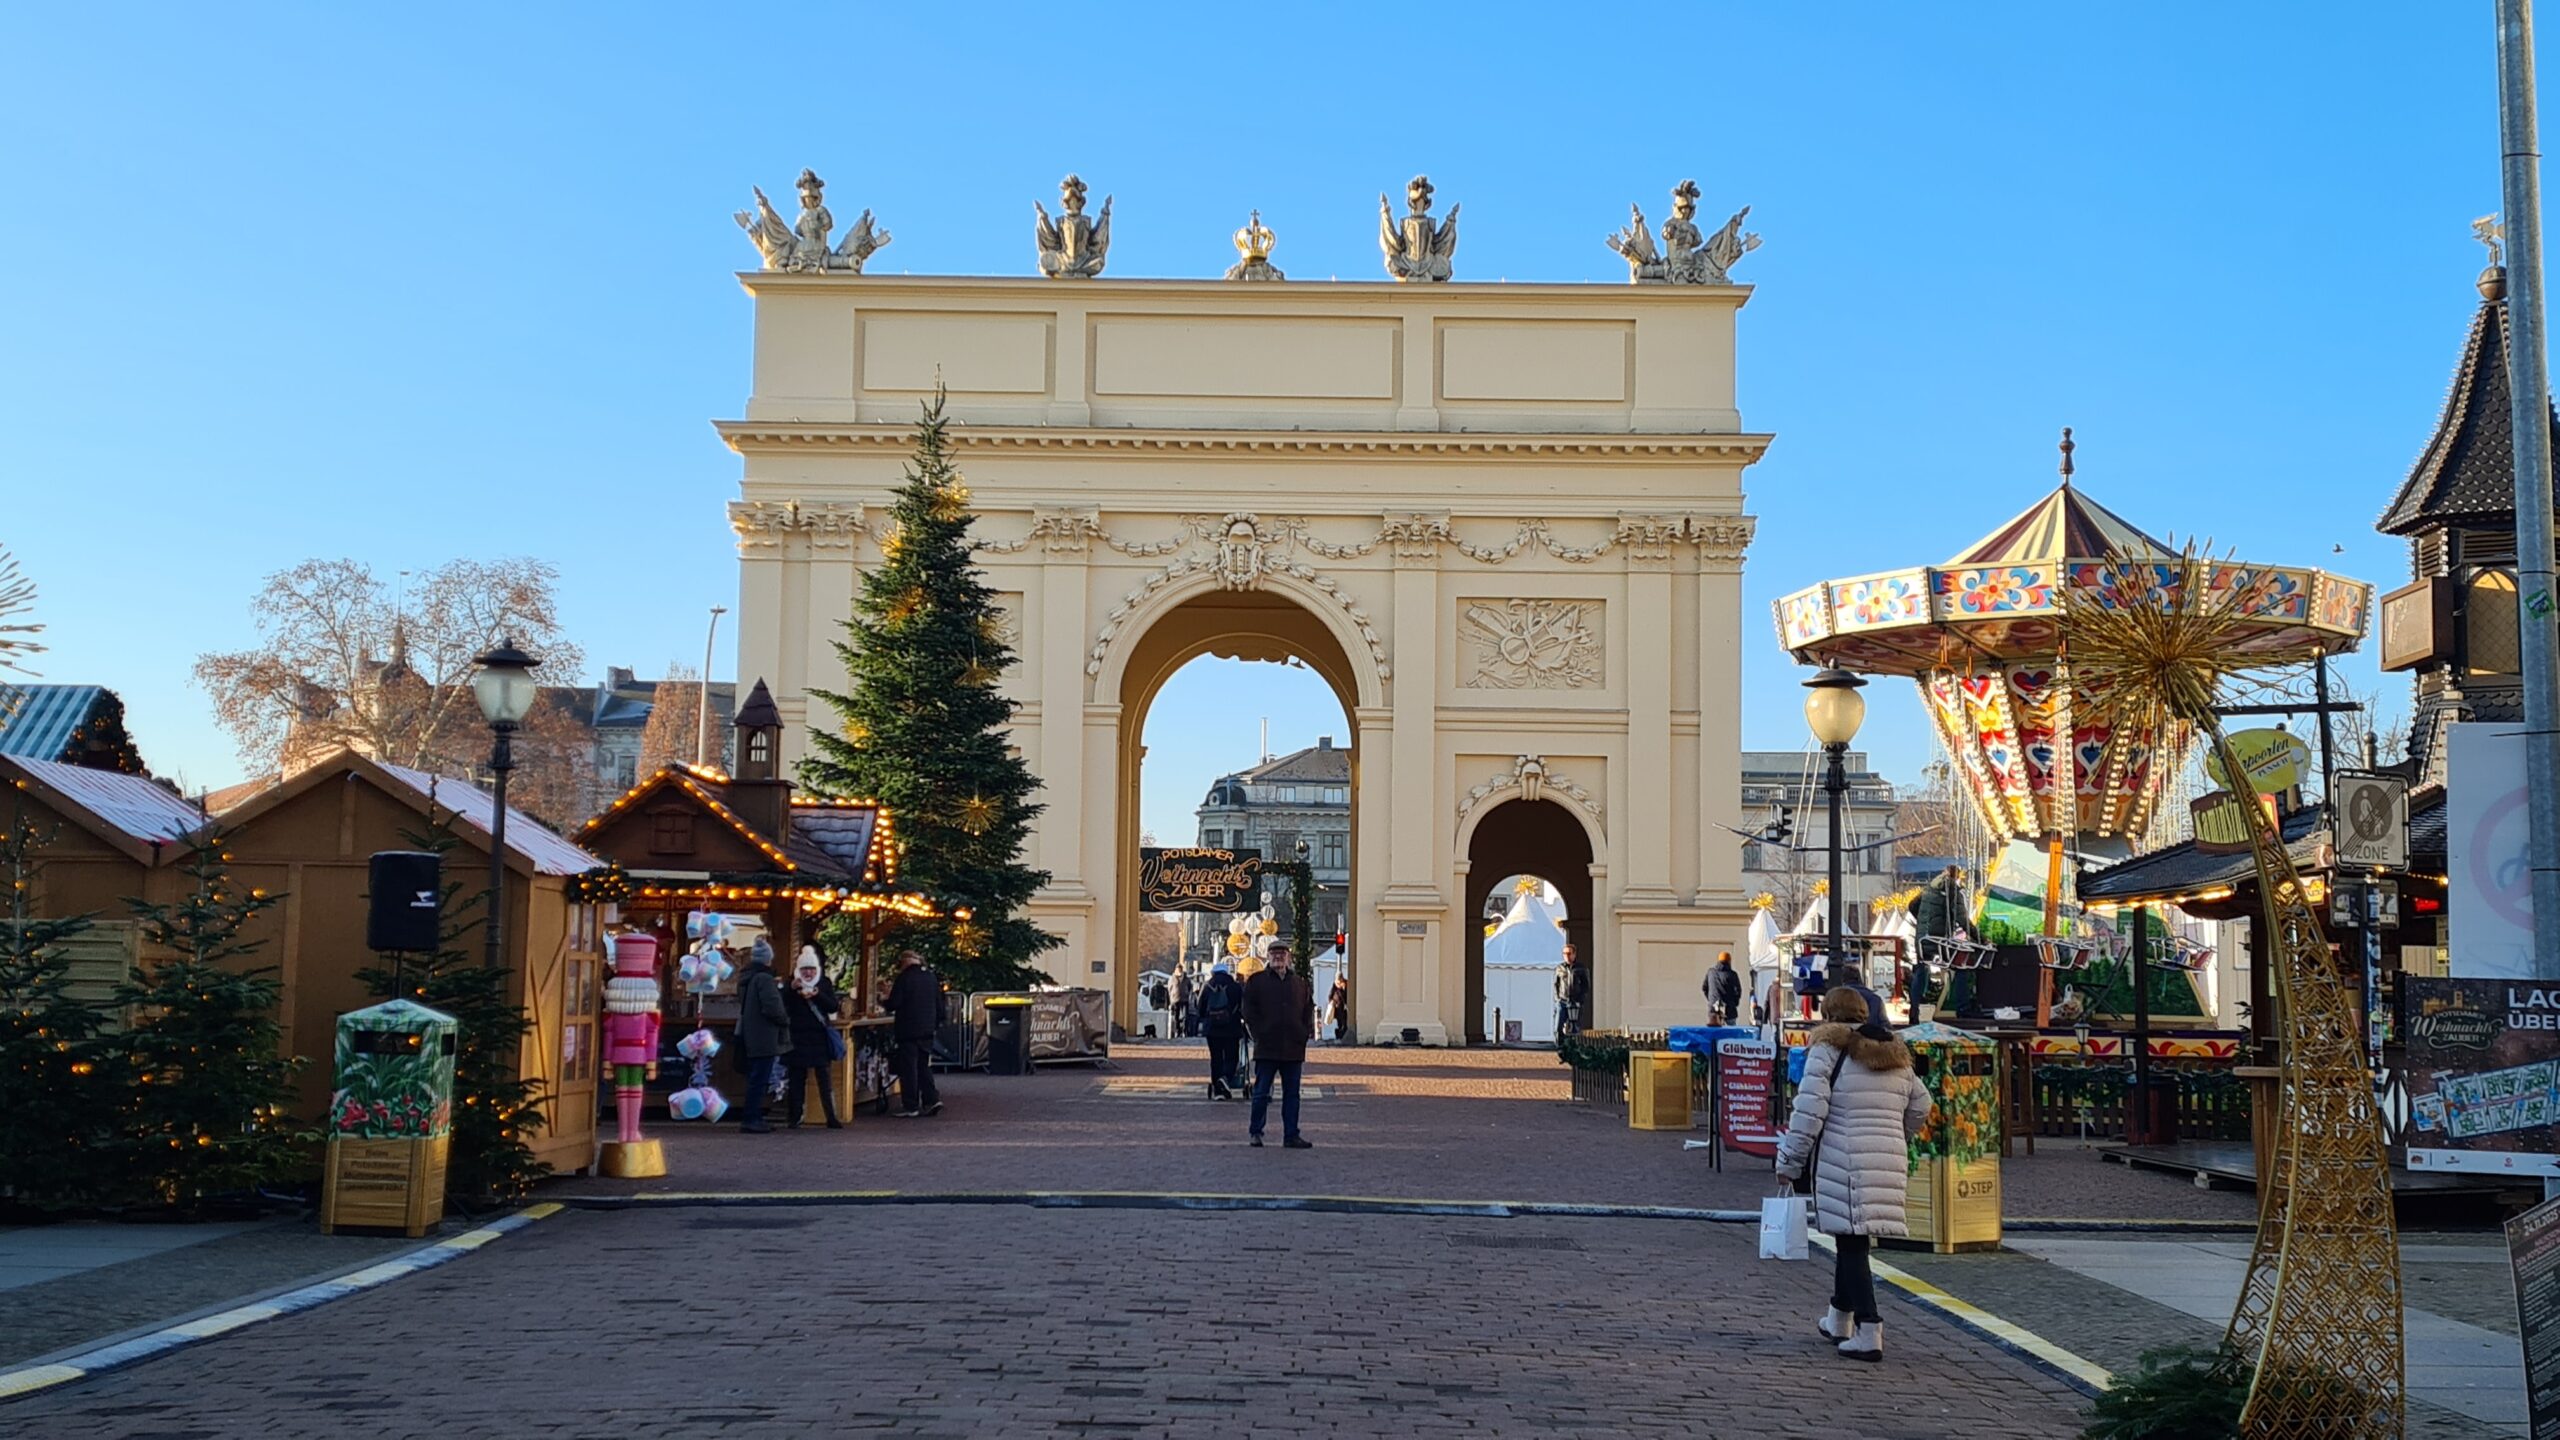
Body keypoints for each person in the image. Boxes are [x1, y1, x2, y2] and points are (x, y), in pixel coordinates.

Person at [1775, 987, 1934, 1363]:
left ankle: (1869, 1328)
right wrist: (1896, 1135)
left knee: (1851, 1244)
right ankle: (1838, 1319)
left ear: (1827, 1013)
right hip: (1888, 1157)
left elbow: (1809, 1113)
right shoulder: (1895, 1054)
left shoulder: (1828, 1051)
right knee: (1853, 1238)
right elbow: (1922, 1104)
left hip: (1844, 1158)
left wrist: (1789, 1162)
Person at [1242, 940, 1314, 1148]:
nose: (1278, 957)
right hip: (1267, 1046)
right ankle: (1256, 1132)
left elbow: (1308, 1008)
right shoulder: (1257, 982)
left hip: (1293, 1047)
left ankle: (1291, 1134)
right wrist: (1258, 1033)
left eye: (1282, 953)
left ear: (1288, 957)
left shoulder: (1299, 983)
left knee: (1292, 1094)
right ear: (1267, 956)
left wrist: (1304, 1032)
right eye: (1274, 953)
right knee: (1261, 1092)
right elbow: (1248, 1010)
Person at [733, 937, 790, 1134]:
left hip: (749, 1033)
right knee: (760, 1077)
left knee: (754, 1077)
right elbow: (772, 1007)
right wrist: (785, 1020)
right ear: (768, 959)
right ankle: (752, 1118)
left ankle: (752, 1116)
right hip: (764, 1035)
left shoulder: (746, 978)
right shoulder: (764, 979)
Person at [782, 948, 843, 1130]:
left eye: (812, 969)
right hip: (797, 1037)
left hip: (818, 1037)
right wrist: (790, 990)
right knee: (796, 1080)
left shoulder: (824, 984)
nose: (808, 973)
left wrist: (817, 994)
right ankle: (794, 1117)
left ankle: (831, 1116)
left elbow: (832, 1007)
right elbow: (782, 1005)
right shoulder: (790, 985)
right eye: (805, 969)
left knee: (824, 1080)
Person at [882, 948, 944, 1118]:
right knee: (923, 1065)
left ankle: (911, 1105)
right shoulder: (931, 978)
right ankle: (931, 1099)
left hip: (908, 1029)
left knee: (908, 1068)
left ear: (905, 962)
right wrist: (935, 1024)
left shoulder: (904, 978)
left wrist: (884, 999)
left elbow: (894, 1003)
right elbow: (940, 1006)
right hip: (927, 1029)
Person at [1199, 959, 1246, 1100]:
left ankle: (1218, 1091)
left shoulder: (1207, 986)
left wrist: (1206, 1019)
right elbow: (1243, 1007)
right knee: (1232, 1057)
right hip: (1231, 1029)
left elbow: (1200, 1007)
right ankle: (1225, 1079)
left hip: (1212, 1029)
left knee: (1216, 1058)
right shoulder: (1235, 986)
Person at [1553, 945, 1590, 1039]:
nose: (1567, 956)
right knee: (1558, 1026)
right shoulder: (1559, 968)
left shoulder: (1581, 968)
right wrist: (1557, 998)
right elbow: (1556, 984)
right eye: (1564, 953)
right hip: (1562, 1001)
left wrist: (1581, 1000)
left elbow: (1585, 986)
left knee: (1575, 1028)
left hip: (1576, 1002)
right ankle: (1560, 1046)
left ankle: (1572, 1048)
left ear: (1574, 954)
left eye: (1569, 953)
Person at [1706, 952, 1743, 1026]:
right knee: (1731, 1032)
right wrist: (1734, 1003)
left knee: (1714, 1033)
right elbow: (1738, 991)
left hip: (1713, 1010)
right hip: (1729, 1009)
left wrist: (1711, 999)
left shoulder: (1711, 972)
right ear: (1729, 961)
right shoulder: (1732, 974)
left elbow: (1704, 988)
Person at [1172, 966, 1195, 1039]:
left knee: (1185, 1016)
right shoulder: (1173, 978)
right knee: (1176, 1017)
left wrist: (1188, 994)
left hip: (1185, 999)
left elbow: (1190, 988)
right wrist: (1171, 998)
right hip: (1175, 999)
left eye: (1180, 969)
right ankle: (1177, 1031)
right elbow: (1170, 988)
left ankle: (1184, 1031)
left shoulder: (1187, 979)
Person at [1325, 975, 1350, 1043]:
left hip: (1344, 1008)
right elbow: (1330, 996)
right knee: (1339, 1023)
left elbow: (1347, 996)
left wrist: (1344, 988)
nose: (1338, 984)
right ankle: (1339, 1036)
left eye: (1339, 982)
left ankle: (1343, 1035)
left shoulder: (1346, 985)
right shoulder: (1334, 986)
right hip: (1338, 1008)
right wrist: (1332, 1002)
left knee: (1345, 1022)